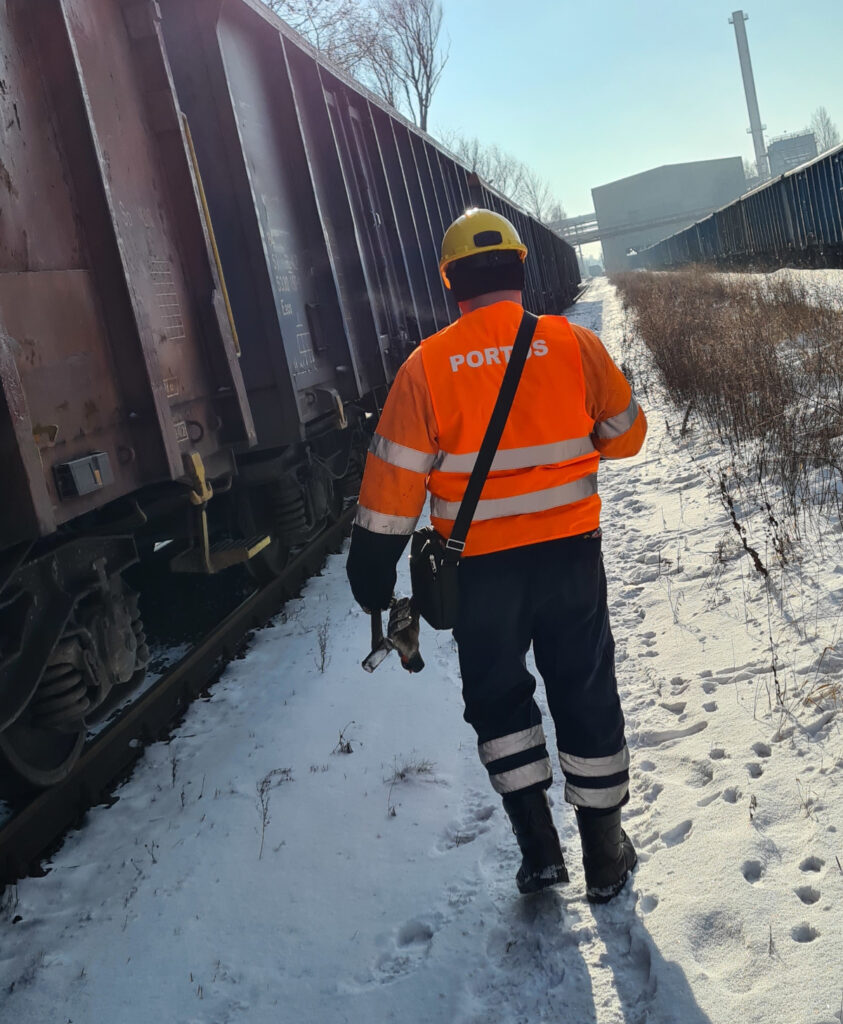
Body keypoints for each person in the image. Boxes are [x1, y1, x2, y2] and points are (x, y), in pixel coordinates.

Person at [346, 209, 647, 902]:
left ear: (451, 281)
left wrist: (372, 576)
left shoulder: (425, 367)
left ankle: (538, 850)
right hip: (570, 558)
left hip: (478, 571)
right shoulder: (571, 344)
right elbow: (626, 437)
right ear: (520, 269)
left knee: (497, 697)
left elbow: (391, 487)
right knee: (584, 689)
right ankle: (604, 850)